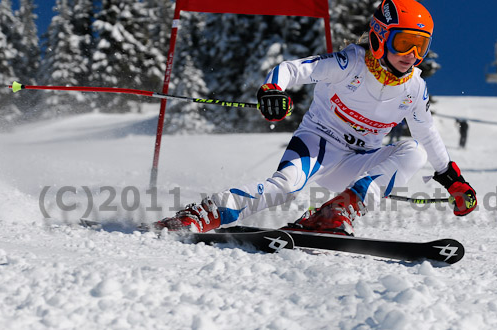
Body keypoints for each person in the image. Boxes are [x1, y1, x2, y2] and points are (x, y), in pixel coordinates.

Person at [155, 0, 477, 236]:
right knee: (284, 188)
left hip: (358, 160)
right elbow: (293, 69)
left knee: (414, 153)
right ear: (380, 37)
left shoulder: (414, 88)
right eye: (404, 42)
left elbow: (427, 134)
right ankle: (200, 214)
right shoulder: (349, 63)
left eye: (420, 46)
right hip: (318, 146)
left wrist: (452, 180)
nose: (411, 55)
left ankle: (331, 215)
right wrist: (272, 89)